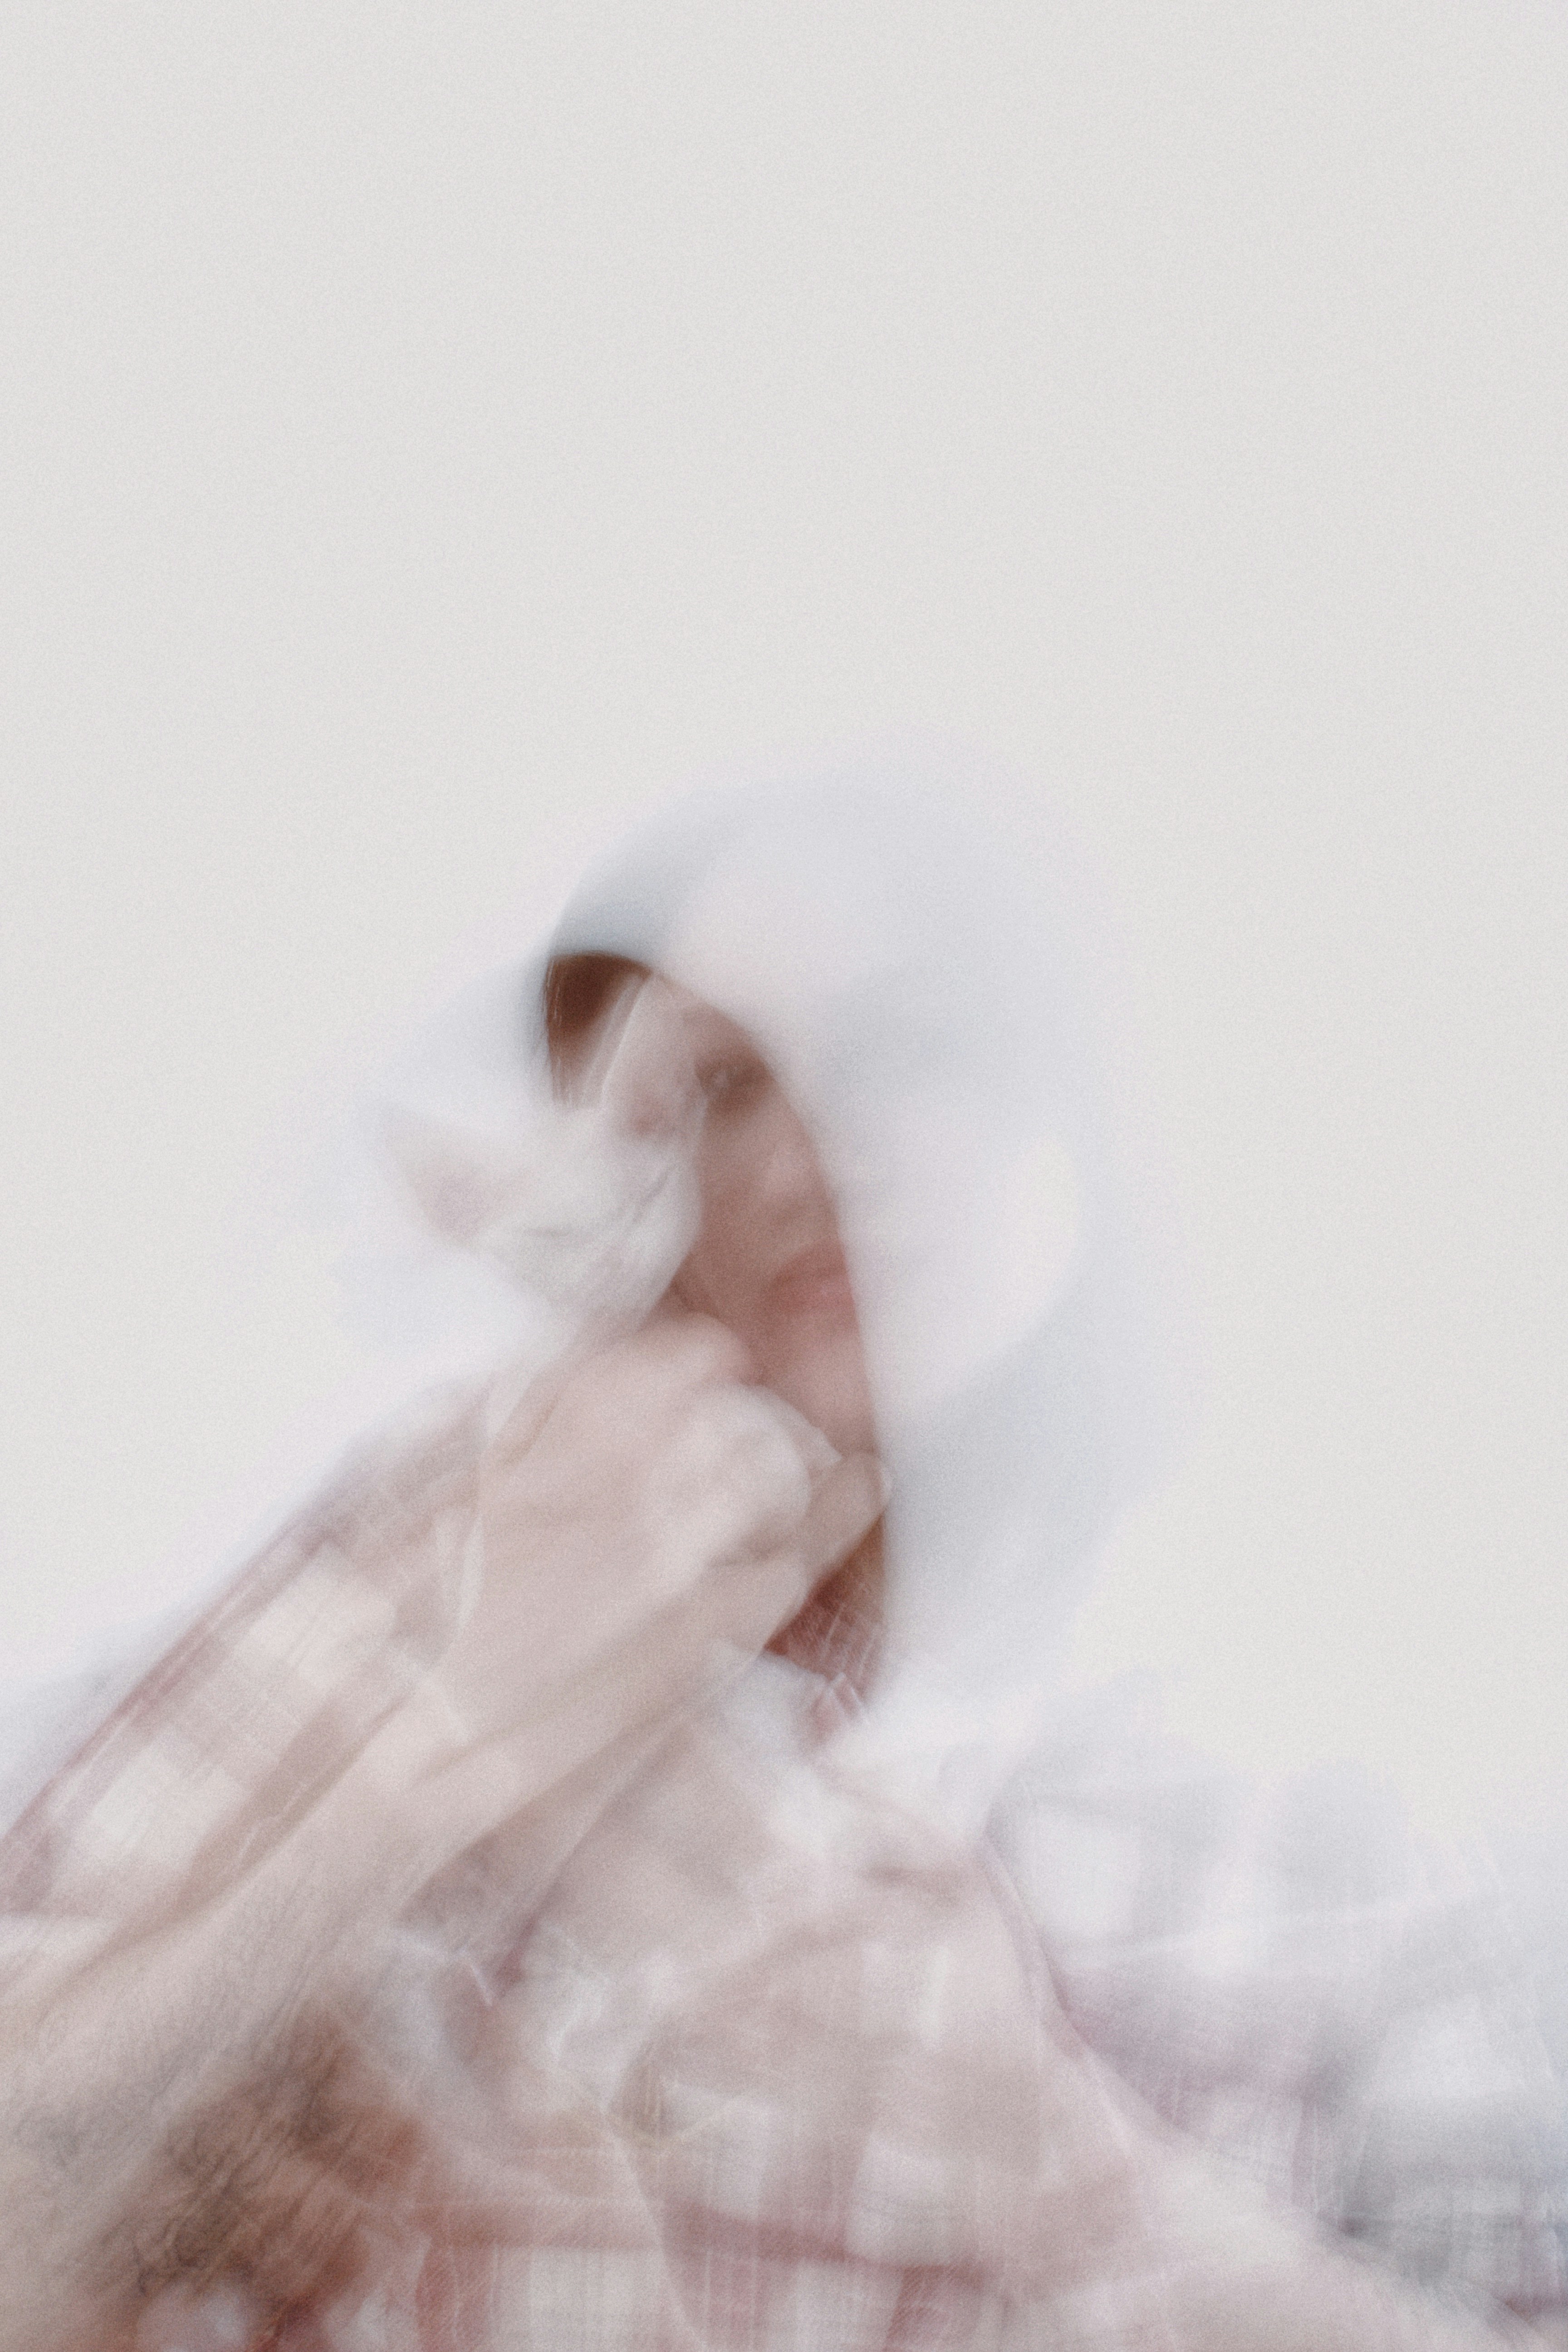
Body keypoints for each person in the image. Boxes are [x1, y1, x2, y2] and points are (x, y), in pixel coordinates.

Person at [0, 770, 1563, 2350]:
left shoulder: (1344, 1848)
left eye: (908, 1050)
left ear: (1080, 1115)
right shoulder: (408, 1575)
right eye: (724, 1084)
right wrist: (434, 1766)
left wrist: (1056, 2180)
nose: (807, 1154)